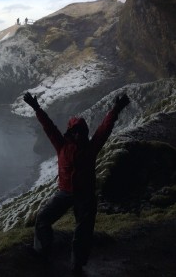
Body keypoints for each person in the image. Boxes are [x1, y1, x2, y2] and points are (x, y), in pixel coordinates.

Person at [23, 91, 130, 274]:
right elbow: (48, 126)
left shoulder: (84, 147)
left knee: (83, 230)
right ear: (71, 133)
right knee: (43, 218)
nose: (79, 135)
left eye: (81, 132)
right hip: (68, 192)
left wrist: (116, 109)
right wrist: (37, 108)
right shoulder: (65, 145)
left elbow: (105, 128)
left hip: (83, 194)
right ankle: (44, 252)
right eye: (76, 132)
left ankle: (76, 265)